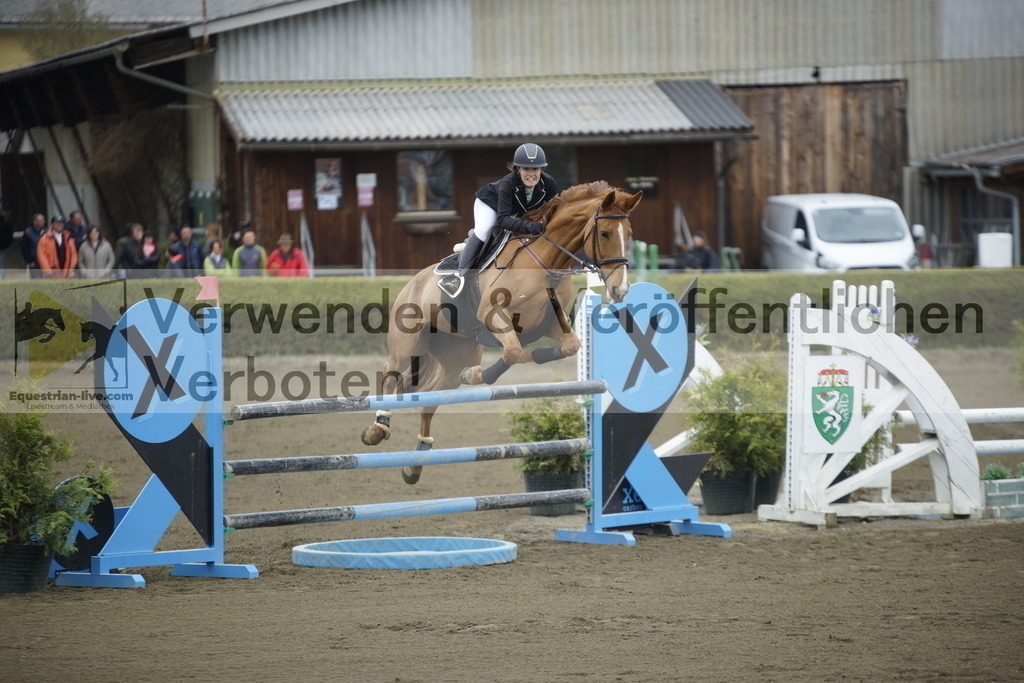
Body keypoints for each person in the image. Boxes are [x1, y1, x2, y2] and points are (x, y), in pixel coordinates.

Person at [438, 142, 559, 297]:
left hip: (516, 211)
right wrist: (530, 226)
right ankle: (459, 277)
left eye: (535, 169)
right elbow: (502, 220)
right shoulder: (508, 183)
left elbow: (554, 211)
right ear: (518, 169)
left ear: (541, 169)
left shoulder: (549, 183)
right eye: (526, 169)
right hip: (490, 204)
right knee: (485, 230)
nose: (531, 174)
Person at [36, 214, 78, 279]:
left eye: (61, 223)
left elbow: (73, 255)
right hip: (51, 275)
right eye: (57, 223)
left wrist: (71, 269)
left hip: (66, 274)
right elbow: (42, 256)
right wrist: (48, 271)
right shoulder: (45, 239)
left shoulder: (68, 238)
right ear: (52, 224)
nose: (59, 225)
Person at [21, 213, 46, 278]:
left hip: (45, 261)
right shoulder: (28, 232)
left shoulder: (46, 232)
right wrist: (30, 261)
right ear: (34, 221)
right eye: (40, 221)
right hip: (34, 262)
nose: (42, 222)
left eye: (43, 220)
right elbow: (24, 248)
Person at [0, 208, 13, 279]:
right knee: (1, 263)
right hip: (3, 246)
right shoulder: (6, 221)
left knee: (1, 263)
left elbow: (9, 233)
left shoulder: (5, 222)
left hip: (2, 247)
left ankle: (1, 279)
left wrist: (5, 243)